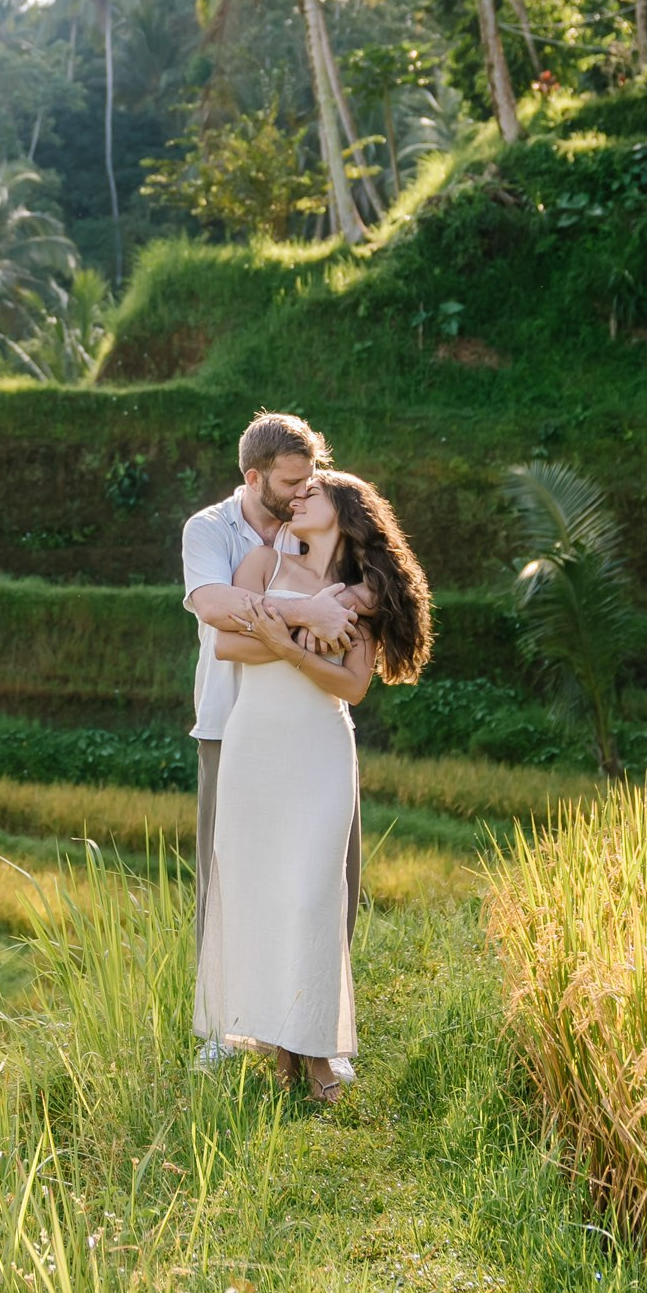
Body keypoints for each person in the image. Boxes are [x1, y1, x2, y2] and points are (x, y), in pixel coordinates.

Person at [196, 469, 432, 1101]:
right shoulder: (260, 564)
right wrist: (294, 629)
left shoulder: (364, 594)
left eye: (312, 493)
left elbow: (353, 686)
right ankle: (283, 1052)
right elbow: (227, 647)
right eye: (294, 492)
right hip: (257, 744)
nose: (296, 498)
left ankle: (317, 1051)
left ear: (345, 513)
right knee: (265, 895)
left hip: (321, 749)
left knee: (311, 897)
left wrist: (282, 640)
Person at [181, 414, 361, 1068]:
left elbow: (367, 599)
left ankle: (318, 1031)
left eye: (308, 479)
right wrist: (308, 615)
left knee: (327, 879)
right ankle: (225, 1032)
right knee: (231, 880)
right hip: (232, 724)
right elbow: (214, 605)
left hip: (314, 726)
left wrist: (333, 606)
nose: (301, 491)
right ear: (252, 476)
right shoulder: (209, 529)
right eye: (289, 481)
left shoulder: (317, 524)